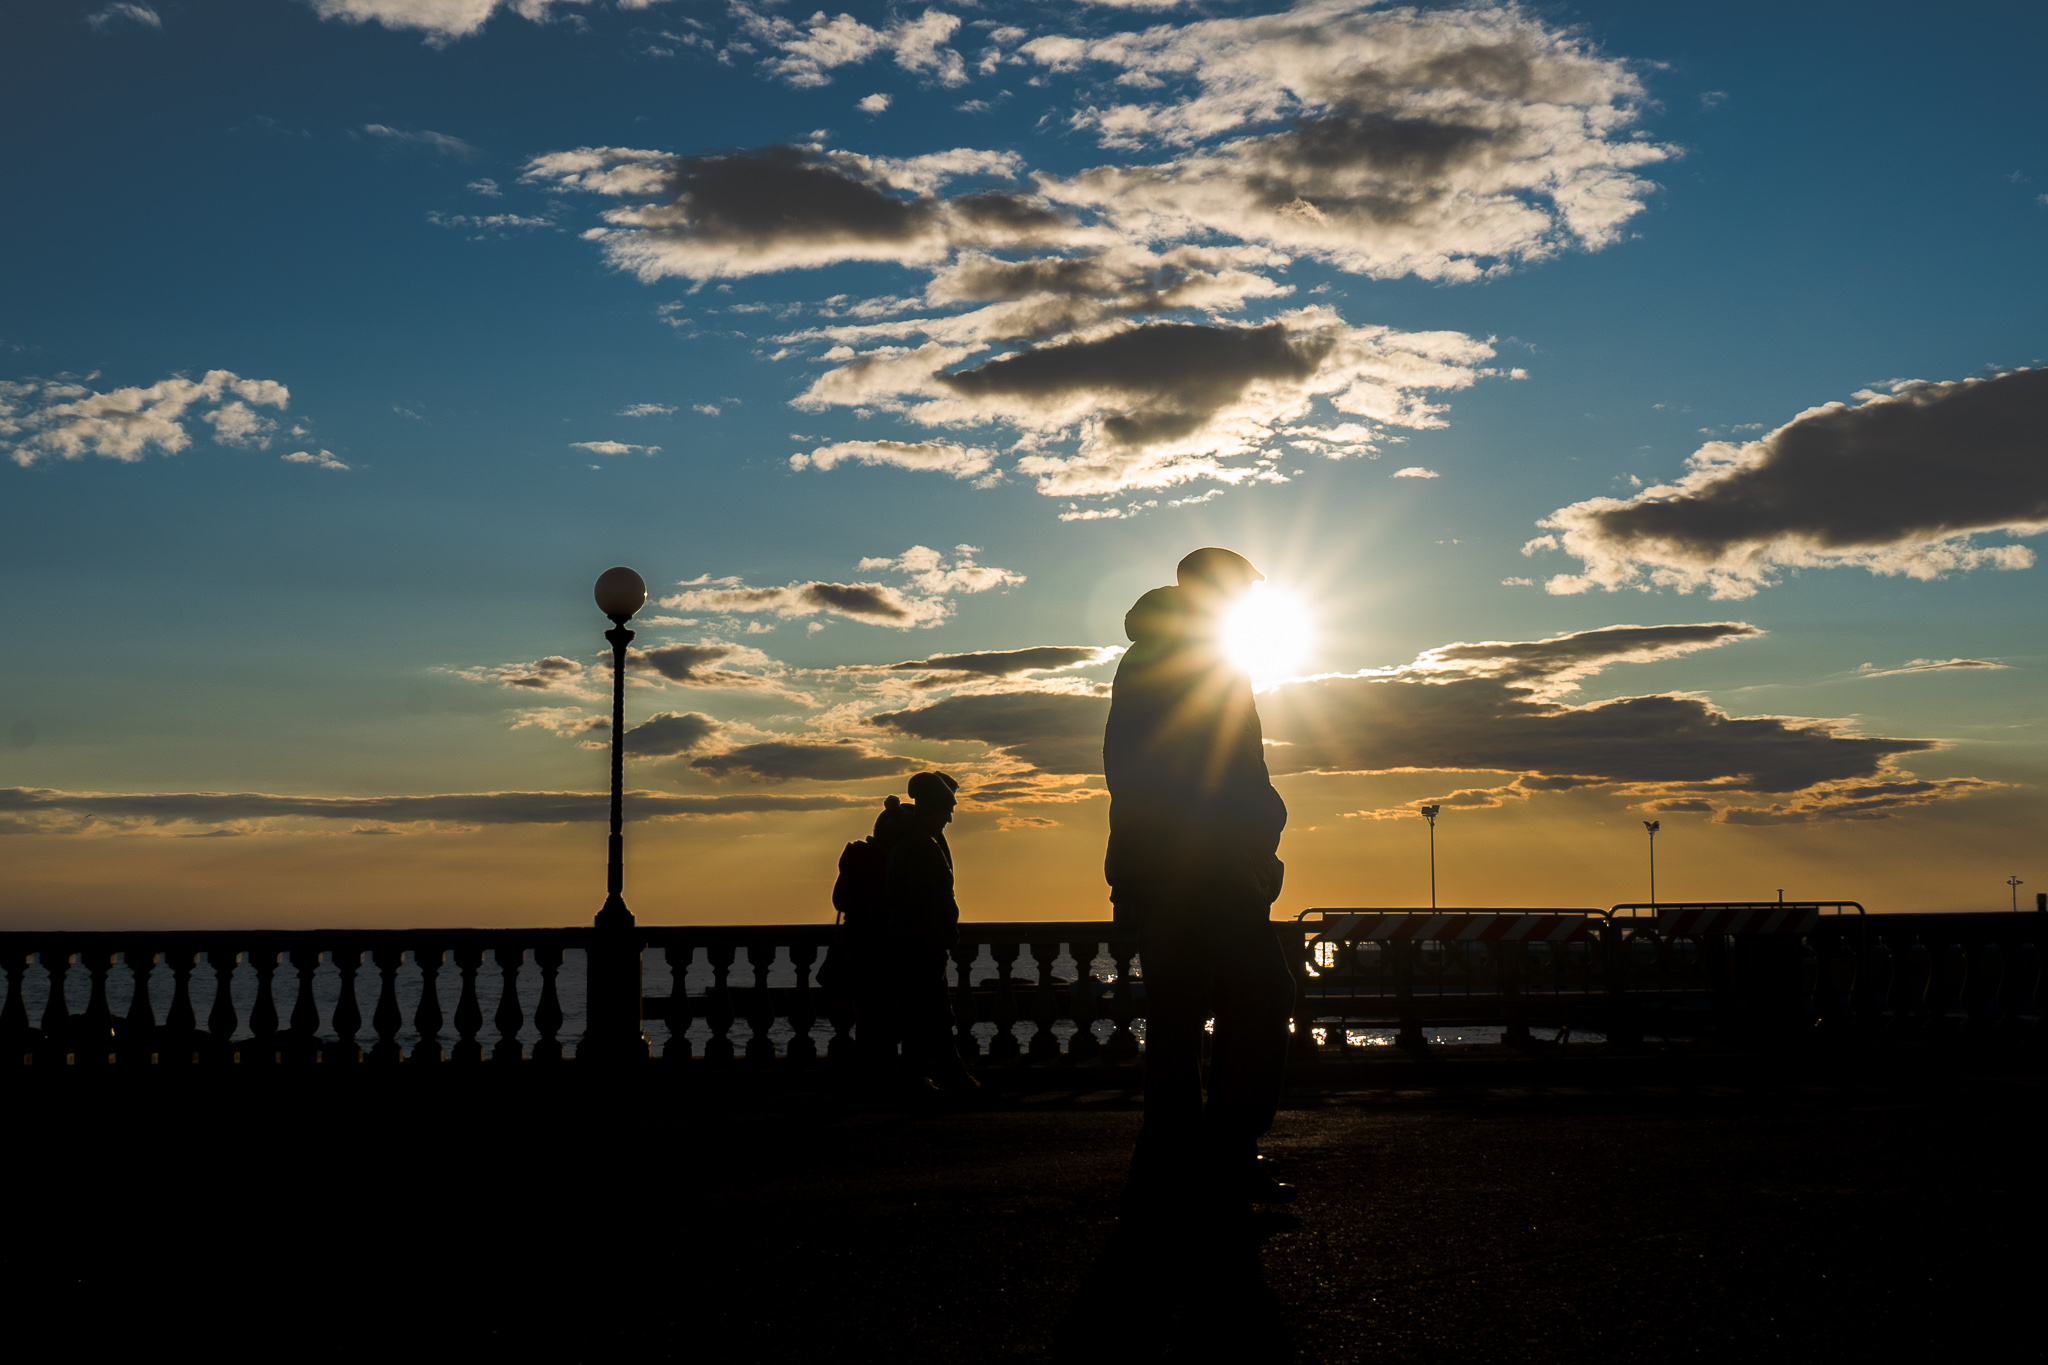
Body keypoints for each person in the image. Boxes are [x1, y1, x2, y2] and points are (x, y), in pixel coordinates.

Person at [1104, 547, 1295, 1208]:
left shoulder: (1156, 655)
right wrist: (1255, 839)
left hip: (1169, 867)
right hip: (1206, 866)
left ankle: (1169, 1160)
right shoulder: (1200, 657)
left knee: (1181, 1012)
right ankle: (1224, 1152)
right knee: (1260, 997)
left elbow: (1133, 772)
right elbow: (1226, 766)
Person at [881, 770, 979, 1092]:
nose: (950, 819)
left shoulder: (915, 842)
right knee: (930, 1018)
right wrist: (938, 943)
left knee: (925, 1018)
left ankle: (933, 1078)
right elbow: (923, 905)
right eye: (947, 811)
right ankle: (938, 1079)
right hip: (920, 948)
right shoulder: (921, 847)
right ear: (935, 809)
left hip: (913, 946)